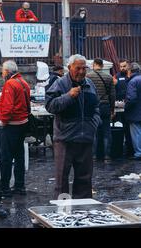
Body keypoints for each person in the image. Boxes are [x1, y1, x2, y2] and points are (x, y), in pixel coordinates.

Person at [45, 54, 101, 199]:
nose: (82, 72)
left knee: (84, 180)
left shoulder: (90, 84)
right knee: (61, 181)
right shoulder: (60, 84)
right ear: (69, 68)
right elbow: (50, 106)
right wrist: (69, 96)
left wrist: (93, 124)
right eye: (78, 68)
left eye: (84, 68)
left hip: (86, 139)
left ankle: (82, 212)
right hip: (65, 140)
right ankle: (62, 213)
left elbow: (96, 107)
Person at [0, 60, 30, 198]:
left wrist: (4, 121)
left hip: (12, 125)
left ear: (6, 71)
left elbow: (8, 107)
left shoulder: (10, 84)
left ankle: (4, 188)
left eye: (2, 71)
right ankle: (19, 186)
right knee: (19, 156)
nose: (2, 73)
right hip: (23, 123)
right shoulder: (24, 82)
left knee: (6, 158)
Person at [87, 58, 116, 161]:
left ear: (94, 65)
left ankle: (93, 156)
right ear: (102, 66)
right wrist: (112, 109)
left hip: (92, 107)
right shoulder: (108, 77)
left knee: (93, 132)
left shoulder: (88, 77)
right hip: (105, 106)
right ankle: (107, 156)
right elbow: (112, 95)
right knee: (106, 131)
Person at [115, 59, 133, 157]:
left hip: (130, 105)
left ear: (128, 66)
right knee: (120, 125)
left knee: (129, 127)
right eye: (121, 66)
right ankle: (121, 148)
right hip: (119, 104)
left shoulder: (131, 77)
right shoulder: (116, 76)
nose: (122, 68)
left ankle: (130, 148)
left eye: (124, 66)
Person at [124, 62, 141, 160]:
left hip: (135, 112)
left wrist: (126, 105)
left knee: (136, 133)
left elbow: (132, 98)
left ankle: (138, 153)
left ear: (130, 71)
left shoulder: (133, 81)